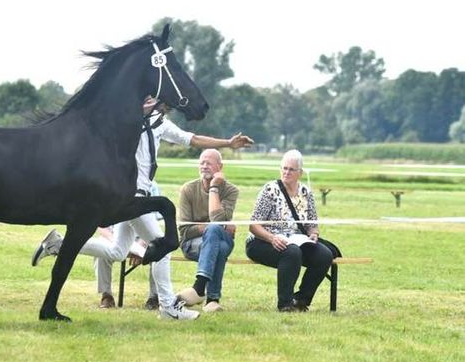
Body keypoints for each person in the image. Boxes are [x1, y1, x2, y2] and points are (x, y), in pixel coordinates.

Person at [33, 96, 254, 320]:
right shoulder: (129, 118)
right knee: (163, 247)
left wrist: (228, 143)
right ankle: (168, 307)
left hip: (137, 196)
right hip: (132, 196)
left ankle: (58, 244)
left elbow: (193, 139)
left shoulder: (160, 122)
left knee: (117, 252)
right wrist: (143, 107)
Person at [245, 149, 334, 312]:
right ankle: (285, 304)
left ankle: (301, 300)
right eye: (284, 168)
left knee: (325, 255)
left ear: (300, 173)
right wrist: (272, 238)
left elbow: (312, 223)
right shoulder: (270, 190)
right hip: (262, 241)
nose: (286, 172)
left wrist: (313, 234)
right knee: (292, 252)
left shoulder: (306, 192)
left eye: (291, 169)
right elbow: (254, 225)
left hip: (297, 240)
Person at [176, 149, 239, 313]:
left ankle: (199, 287)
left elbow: (217, 218)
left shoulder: (231, 191)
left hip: (220, 239)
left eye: (209, 163)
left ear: (220, 167)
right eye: (202, 163)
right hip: (192, 243)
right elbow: (184, 230)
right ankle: (212, 299)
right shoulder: (188, 189)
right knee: (219, 247)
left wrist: (214, 188)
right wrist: (217, 226)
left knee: (215, 231)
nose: (204, 166)